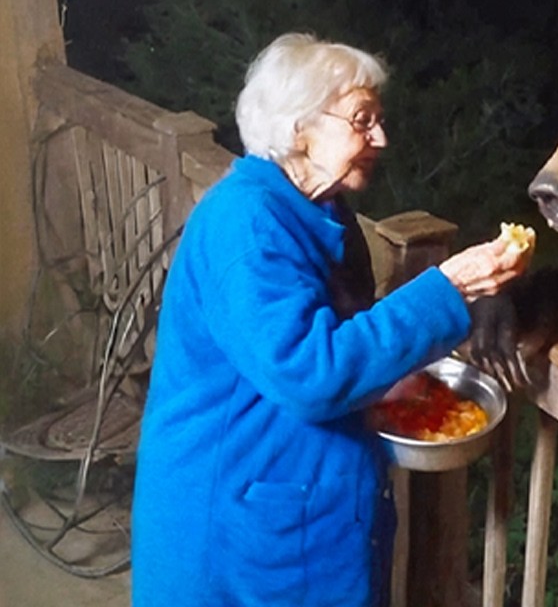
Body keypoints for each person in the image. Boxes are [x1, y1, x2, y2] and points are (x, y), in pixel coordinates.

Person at [131, 33, 526, 606]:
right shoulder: (246, 228)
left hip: (296, 508)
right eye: (362, 120)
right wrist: (449, 288)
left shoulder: (319, 210)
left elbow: (331, 339)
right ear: (299, 128)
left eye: (380, 120)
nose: (381, 138)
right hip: (239, 528)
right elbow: (309, 372)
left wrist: (393, 376)